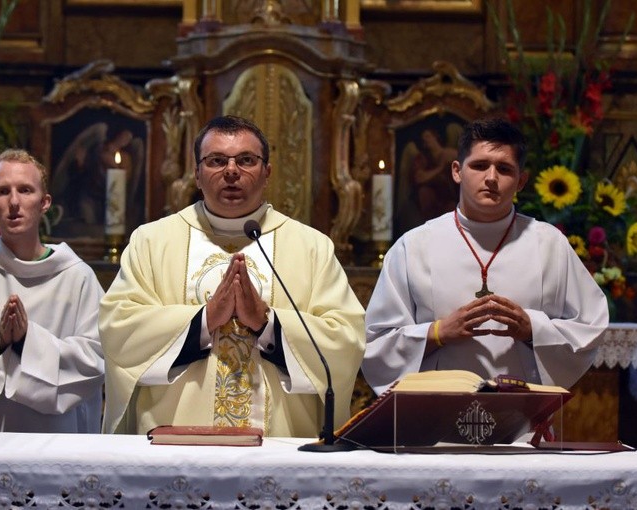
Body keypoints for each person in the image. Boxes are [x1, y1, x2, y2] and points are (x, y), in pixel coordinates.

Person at [98, 115, 365, 437]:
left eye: (247, 160)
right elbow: (119, 328)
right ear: (197, 174)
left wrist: (267, 324)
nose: (231, 171)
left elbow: (346, 339)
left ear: (267, 173)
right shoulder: (152, 241)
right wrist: (204, 320)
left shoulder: (311, 246)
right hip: (176, 442)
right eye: (216, 161)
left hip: (280, 442)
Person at [362, 117, 609, 395]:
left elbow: (590, 329)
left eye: (504, 169)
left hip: (522, 421)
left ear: (521, 181)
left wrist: (533, 330)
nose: (491, 178)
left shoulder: (550, 245)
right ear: (457, 171)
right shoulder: (414, 246)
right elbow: (375, 344)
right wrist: (438, 333)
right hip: (435, 423)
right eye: (479, 166)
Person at [0, 149, 105, 432]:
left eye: (25, 190)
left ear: (45, 202)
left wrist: (27, 340)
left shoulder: (78, 277)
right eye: (2, 192)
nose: (14, 202)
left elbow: (96, 362)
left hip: (54, 443)